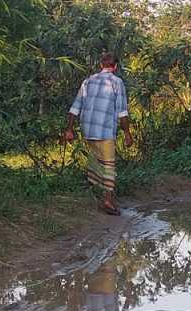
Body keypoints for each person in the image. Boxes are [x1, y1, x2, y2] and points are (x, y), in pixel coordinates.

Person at [64, 52, 132, 215]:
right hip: (105, 130)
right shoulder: (117, 82)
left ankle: (97, 195)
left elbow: (75, 107)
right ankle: (107, 201)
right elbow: (122, 112)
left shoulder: (88, 81)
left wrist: (69, 129)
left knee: (96, 161)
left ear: (101, 65)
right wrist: (128, 133)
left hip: (88, 129)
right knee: (108, 164)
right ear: (115, 67)